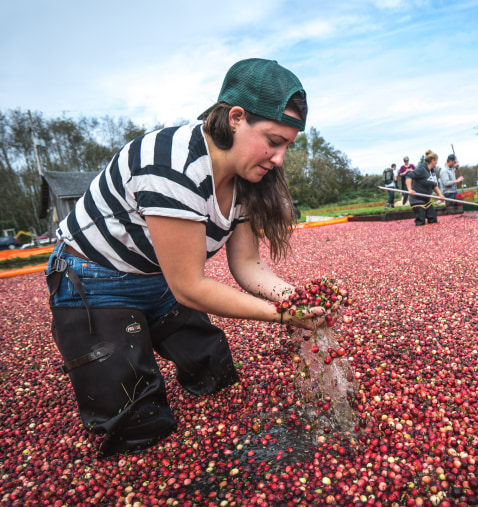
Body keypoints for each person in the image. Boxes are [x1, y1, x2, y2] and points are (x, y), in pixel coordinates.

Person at [44, 58, 327, 457]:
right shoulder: (171, 165)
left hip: (158, 276)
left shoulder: (247, 178)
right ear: (236, 117)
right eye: (273, 141)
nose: (279, 158)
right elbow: (190, 286)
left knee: (214, 370)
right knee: (137, 426)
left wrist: (296, 298)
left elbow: (247, 265)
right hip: (95, 281)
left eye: (287, 146)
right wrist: (281, 316)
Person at [406, 150, 446, 226]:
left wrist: (440, 195)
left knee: (433, 219)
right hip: (417, 200)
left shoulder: (432, 171)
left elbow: (434, 185)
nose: (437, 163)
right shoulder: (422, 169)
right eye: (436, 161)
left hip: (426, 200)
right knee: (421, 221)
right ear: (432, 161)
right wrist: (410, 190)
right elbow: (409, 176)